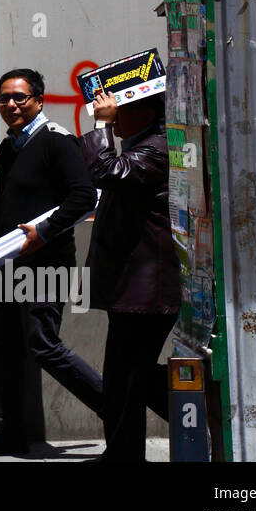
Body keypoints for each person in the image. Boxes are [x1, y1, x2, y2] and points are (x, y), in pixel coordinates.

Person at [0, 69, 104, 456]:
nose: (11, 105)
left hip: (49, 264)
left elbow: (85, 197)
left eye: (20, 98)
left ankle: (118, 412)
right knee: (4, 346)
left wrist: (43, 232)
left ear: (39, 101)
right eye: (4, 98)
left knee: (42, 343)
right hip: (4, 264)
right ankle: (11, 434)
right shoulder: (8, 148)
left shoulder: (58, 143)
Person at [80, 88, 180, 462]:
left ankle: (197, 408)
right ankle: (123, 453)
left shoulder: (156, 148)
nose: (114, 115)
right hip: (134, 290)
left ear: (147, 112)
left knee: (130, 375)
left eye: (122, 109)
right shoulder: (144, 145)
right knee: (124, 377)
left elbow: (106, 172)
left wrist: (100, 124)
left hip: (147, 293)